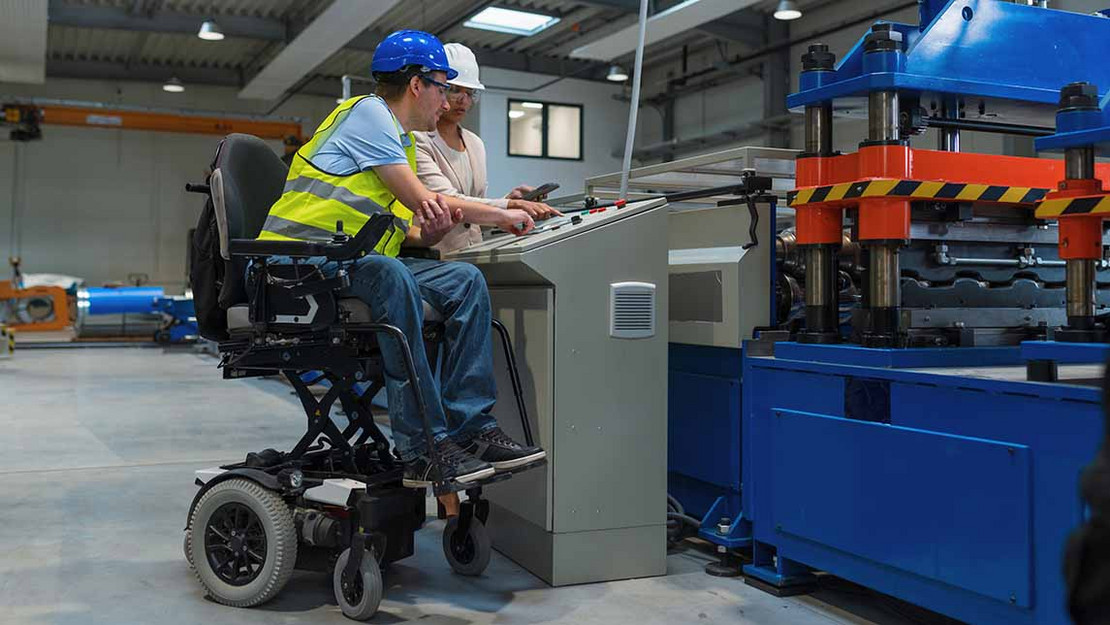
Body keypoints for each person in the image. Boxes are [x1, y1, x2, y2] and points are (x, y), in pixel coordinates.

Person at [256, 29, 546, 489]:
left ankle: (472, 427)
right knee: (390, 274)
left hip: (351, 263)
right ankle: (423, 447)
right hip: (298, 267)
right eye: (443, 87)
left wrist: (425, 230)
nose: (447, 98)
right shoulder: (368, 115)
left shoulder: (402, 142)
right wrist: (502, 213)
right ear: (417, 85)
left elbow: (409, 221)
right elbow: (423, 196)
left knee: (464, 281)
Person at [414, 43, 561, 253]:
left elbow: (474, 215)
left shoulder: (475, 143)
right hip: (435, 257)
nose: (462, 100)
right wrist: (507, 207)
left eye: (470, 92)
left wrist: (508, 201)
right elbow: (446, 201)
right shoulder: (418, 139)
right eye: (454, 90)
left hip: (474, 254)